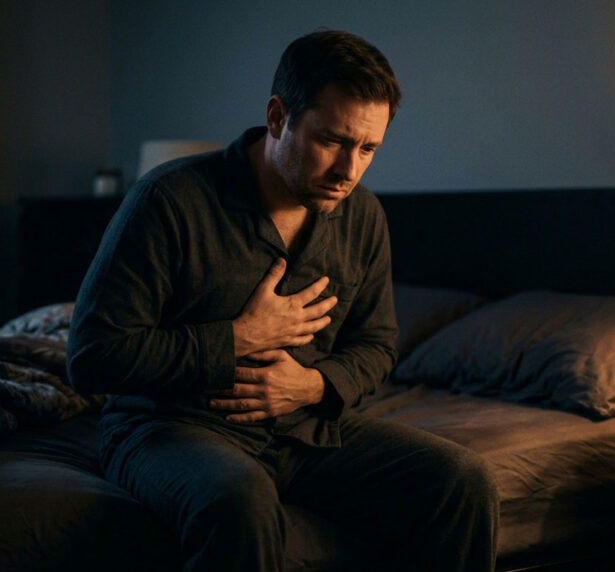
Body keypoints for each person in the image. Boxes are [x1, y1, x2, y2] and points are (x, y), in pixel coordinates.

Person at [67, 29, 498, 571]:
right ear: (277, 118)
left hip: (304, 430)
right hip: (169, 427)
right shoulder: (168, 200)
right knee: (239, 501)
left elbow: (378, 345)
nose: (350, 171)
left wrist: (314, 385)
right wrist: (237, 339)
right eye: (332, 141)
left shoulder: (363, 217)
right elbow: (90, 357)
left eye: (368, 149)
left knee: (463, 480)